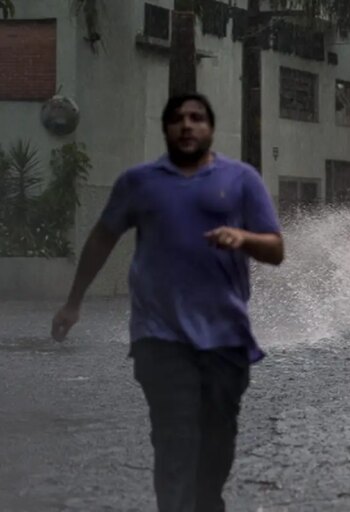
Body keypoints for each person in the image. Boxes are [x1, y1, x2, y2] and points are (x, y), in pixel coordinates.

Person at [50, 93, 284, 512]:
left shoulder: (242, 179)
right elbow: (102, 238)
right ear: (166, 129)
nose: (187, 125)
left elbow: (276, 250)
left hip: (226, 339)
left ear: (211, 128)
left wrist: (243, 238)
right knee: (175, 440)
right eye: (177, 118)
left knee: (216, 445)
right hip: (159, 337)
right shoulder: (138, 182)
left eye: (196, 118)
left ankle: (207, 502)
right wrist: (73, 302)